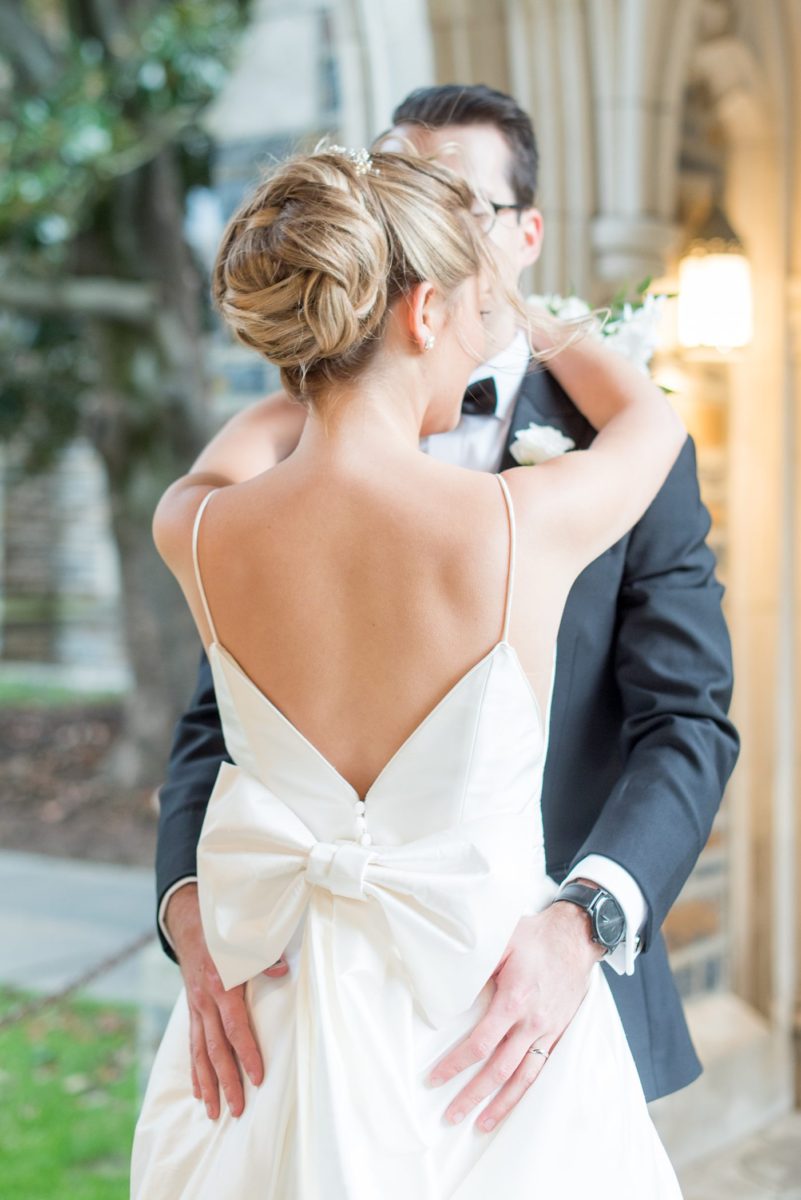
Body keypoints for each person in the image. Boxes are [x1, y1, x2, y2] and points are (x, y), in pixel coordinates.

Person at [154, 84, 739, 1135]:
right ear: (417, 292)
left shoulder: (201, 522)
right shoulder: (528, 519)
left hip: (479, 1010)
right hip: (302, 992)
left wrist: (585, 921)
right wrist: (183, 904)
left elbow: (687, 721)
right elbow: (211, 730)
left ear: (524, 234)